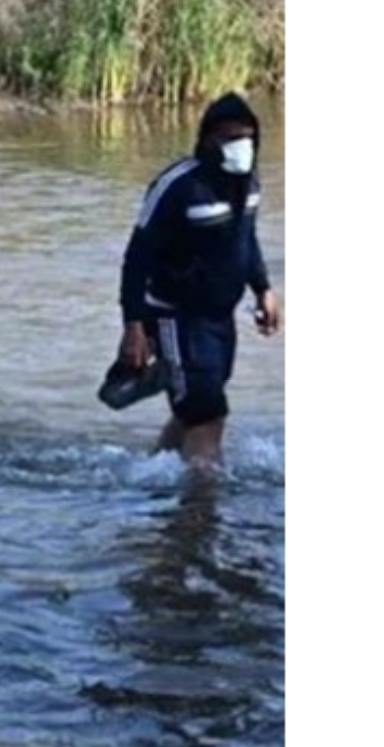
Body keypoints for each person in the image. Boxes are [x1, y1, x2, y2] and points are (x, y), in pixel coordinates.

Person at [115, 92, 282, 471]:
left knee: (193, 412)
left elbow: (245, 240)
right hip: (176, 317)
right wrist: (134, 325)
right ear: (208, 139)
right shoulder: (178, 185)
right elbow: (137, 257)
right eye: (229, 137)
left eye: (247, 138)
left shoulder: (249, 185)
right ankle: (201, 516)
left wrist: (263, 288)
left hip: (219, 319)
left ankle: (147, 479)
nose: (240, 147)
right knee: (208, 415)